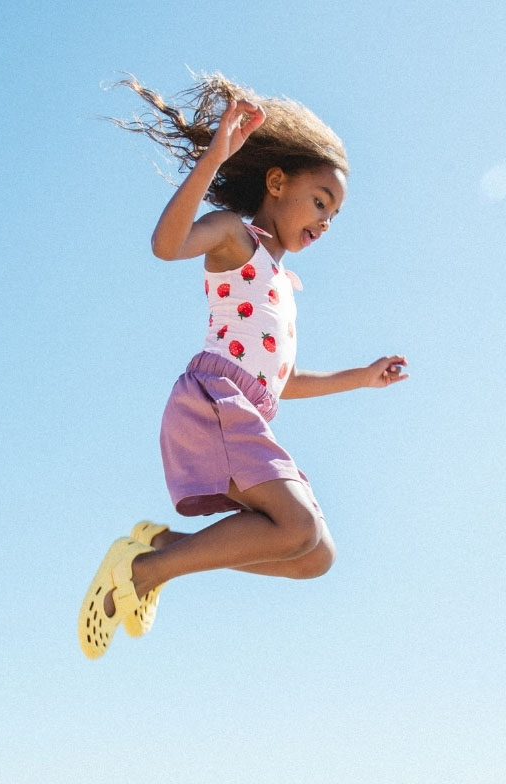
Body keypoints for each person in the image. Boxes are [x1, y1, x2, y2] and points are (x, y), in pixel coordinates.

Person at [78, 74, 408, 658]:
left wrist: (361, 377)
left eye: (334, 215)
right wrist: (214, 158)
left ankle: (164, 550)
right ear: (276, 183)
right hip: (214, 403)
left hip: (247, 410)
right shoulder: (237, 239)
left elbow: (281, 382)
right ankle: (143, 572)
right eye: (320, 202)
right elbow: (166, 245)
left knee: (314, 556)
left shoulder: (282, 279)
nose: (325, 222)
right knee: (299, 527)